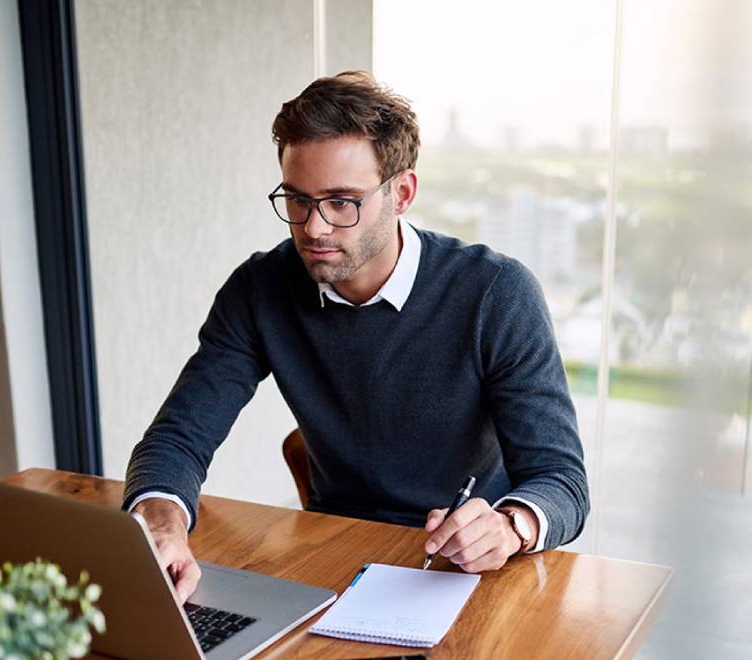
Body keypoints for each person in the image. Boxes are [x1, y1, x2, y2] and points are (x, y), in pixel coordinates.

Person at [123, 71, 589, 602]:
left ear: (403, 193)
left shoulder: (496, 294)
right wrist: (160, 522)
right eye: (297, 200)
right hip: (335, 556)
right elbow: (179, 436)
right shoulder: (260, 289)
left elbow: (562, 482)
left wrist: (510, 527)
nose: (314, 228)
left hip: (469, 571)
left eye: (341, 201)